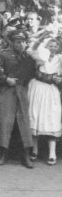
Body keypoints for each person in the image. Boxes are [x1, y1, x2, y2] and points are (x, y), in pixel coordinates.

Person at [0, 29, 36, 168]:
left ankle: (26, 154)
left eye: (23, 42)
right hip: (6, 91)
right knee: (4, 121)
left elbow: (36, 72)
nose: (21, 44)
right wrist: (5, 79)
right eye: (18, 42)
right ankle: (1, 153)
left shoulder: (29, 56)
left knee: (24, 123)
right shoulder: (3, 54)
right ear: (12, 42)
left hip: (22, 91)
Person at [27, 36, 62, 165]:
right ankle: (34, 150)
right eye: (50, 45)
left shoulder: (60, 58)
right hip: (37, 88)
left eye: (55, 45)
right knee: (35, 117)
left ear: (58, 47)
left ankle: (52, 153)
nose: (53, 47)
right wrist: (43, 34)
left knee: (51, 118)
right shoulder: (41, 56)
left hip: (51, 90)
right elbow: (33, 48)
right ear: (46, 46)